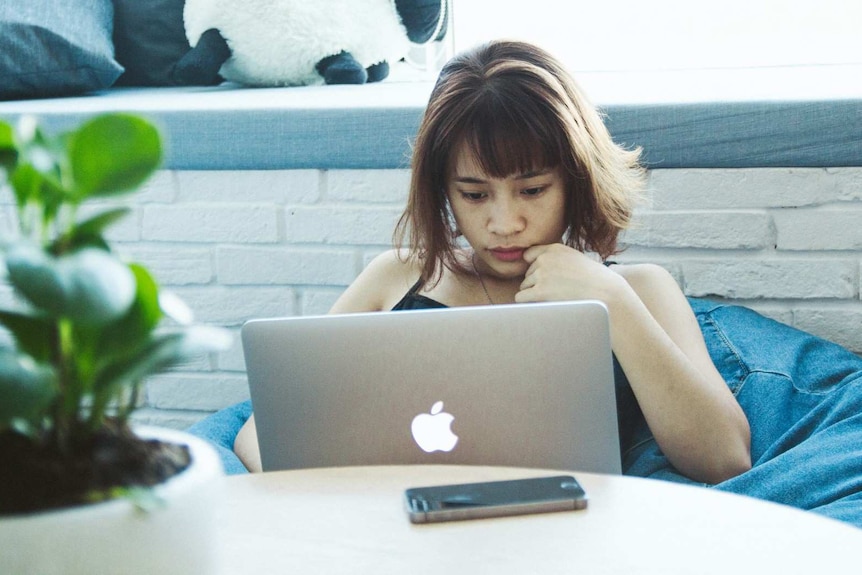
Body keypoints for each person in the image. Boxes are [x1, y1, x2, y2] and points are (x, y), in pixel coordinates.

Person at [234, 39, 752, 482]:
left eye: (531, 190)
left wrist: (611, 300)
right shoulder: (398, 278)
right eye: (475, 195)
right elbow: (261, 438)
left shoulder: (638, 289)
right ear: (444, 193)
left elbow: (725, 458)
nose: (504, 223)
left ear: (577, 180)